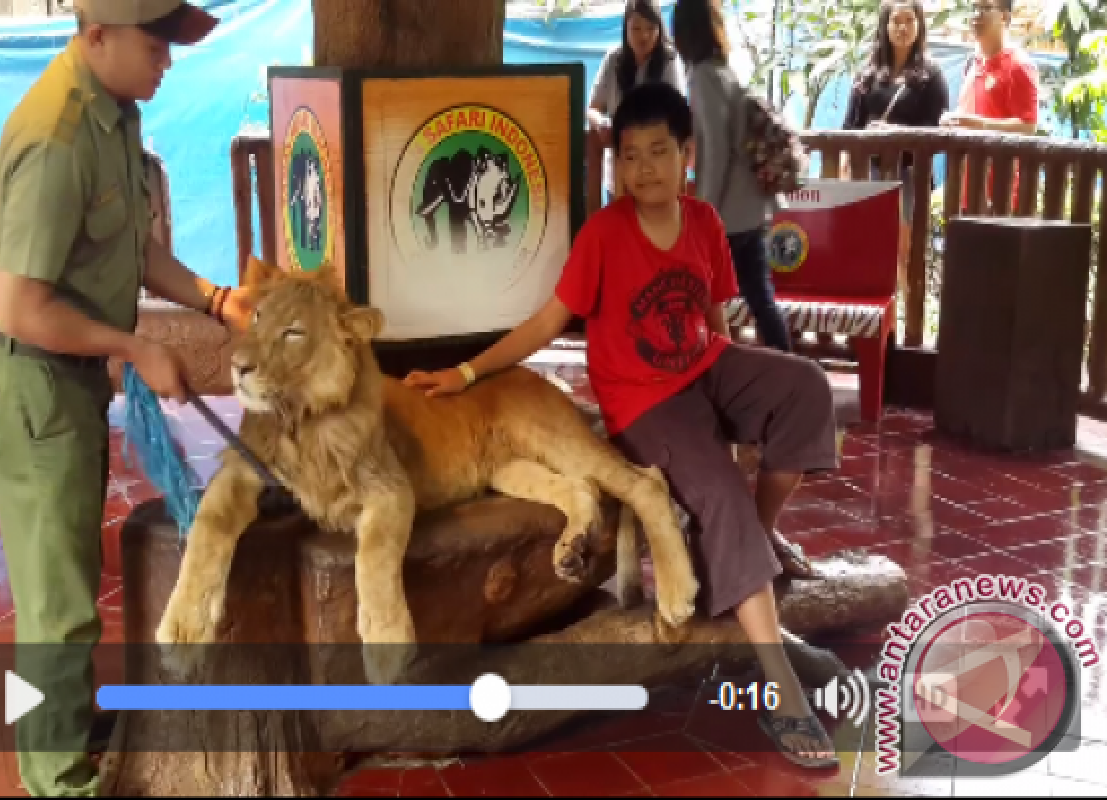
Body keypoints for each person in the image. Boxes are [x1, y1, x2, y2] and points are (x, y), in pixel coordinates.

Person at [403, 82, 840, 770]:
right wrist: (463, 374)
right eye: (629, 156)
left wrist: (736, 392)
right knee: (719, 493)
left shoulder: (701, 222)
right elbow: (549, 322)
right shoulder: (604, 234)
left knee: (807, 387)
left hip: (706, 367)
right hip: (646, 404)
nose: (642, 169)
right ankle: (779, 683)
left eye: (658, 152)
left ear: (686, 155)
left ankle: (750, 545)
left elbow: (718, 318)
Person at [0, 0, 253, 795]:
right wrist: (135, 348)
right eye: (156, 43)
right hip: (33, 381)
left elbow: (133, 249)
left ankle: (57, 724)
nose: (168, 60)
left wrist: (218, 301)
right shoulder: (57, 139)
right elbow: (22, 306)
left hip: (67, 375)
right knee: (56, 607)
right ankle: (56, 778)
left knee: (65, 585)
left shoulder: (114, 111)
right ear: (97, 35)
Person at [671, 0, 790, 354]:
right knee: (758, 296)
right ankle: (787, 366)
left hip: (729, 214)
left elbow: (717, 152)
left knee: (703, 297)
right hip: (747, 207)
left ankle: (711, 369)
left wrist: (703, 214)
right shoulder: (723, 70)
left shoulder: (703, 76)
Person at [840, 0, 949, 288]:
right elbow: (849, 127)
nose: (902, 27)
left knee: (904, 254)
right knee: (868, 250)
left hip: (909, 177)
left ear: (919, 25)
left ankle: (904, 323)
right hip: (869, 176)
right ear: (885, 26)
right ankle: (876, 324)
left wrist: (894, 132)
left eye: (909, 20)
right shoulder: (868, 74)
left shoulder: (932, 77)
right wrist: (846, 164)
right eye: (896, 20)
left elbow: (936, 132)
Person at [586, 0, 687, 212]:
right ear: (625, 28)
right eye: (636, 28)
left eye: (651, 28)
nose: (644, 36)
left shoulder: (669, 60)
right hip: (618, 171)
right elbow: (592, 109)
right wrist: (601, 123)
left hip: (657, 171)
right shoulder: (613, 60)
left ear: (660, 29)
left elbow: (677, 115)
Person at [940, 0, 1039, 211]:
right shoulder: (972, 62)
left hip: (1001, 190)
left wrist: (976, 124)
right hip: (966, 184)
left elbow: (1028, 127)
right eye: (974, 8)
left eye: (985, 8)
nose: (977, 14)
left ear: (1005, 17)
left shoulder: (1019, 65)